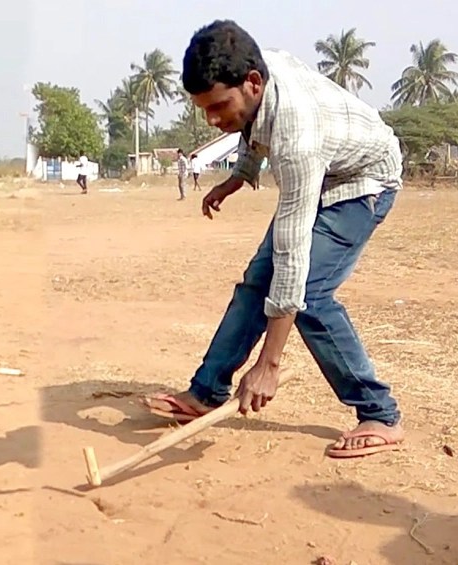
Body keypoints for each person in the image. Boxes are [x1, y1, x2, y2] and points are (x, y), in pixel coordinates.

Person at [141, 20, 405, 459]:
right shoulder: (259, 76)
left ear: (253, 82)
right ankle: (207, 391)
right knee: (255, 284)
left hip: (363, 180)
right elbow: (252, 127)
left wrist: (269, 364)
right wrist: (240, 176)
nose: (212, 119)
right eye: (203, 109)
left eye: (219, 106)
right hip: (325, 168)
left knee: (311, 295)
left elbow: (293, 252)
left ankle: (380, 413)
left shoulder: (296, 137)